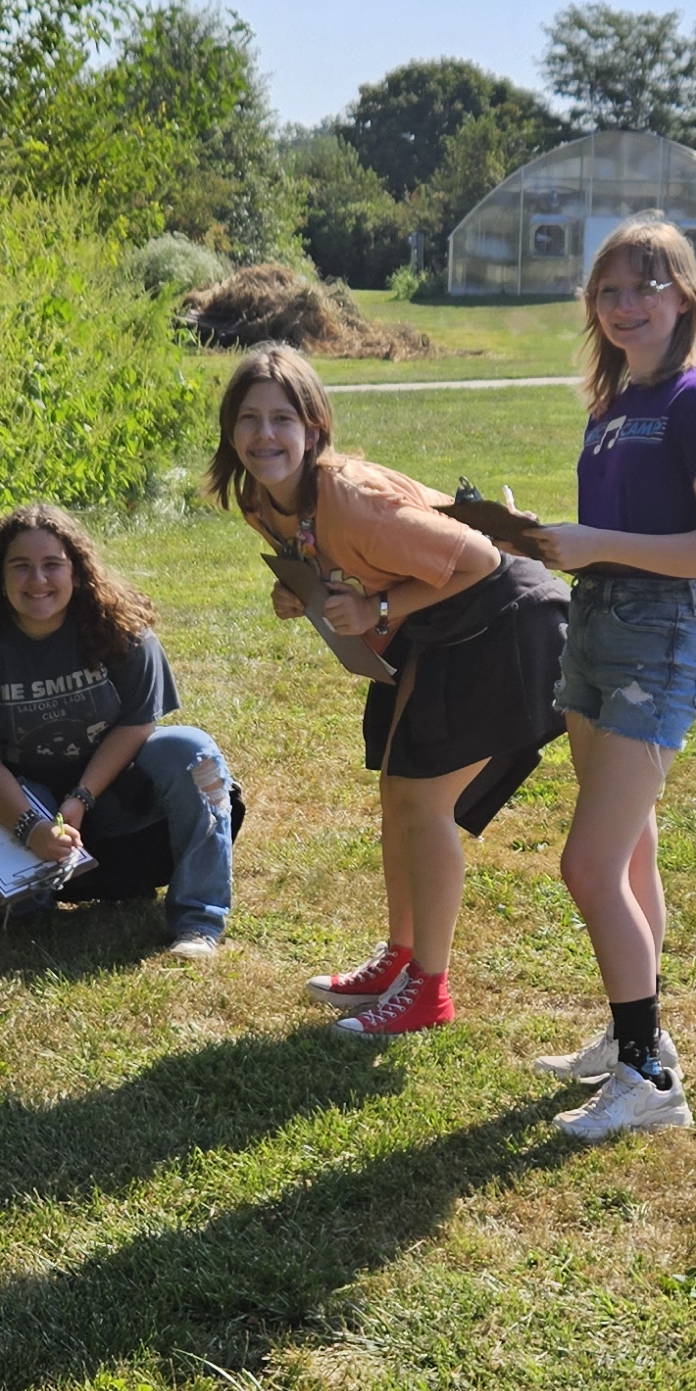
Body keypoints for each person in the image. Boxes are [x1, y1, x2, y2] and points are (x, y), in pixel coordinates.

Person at [211, 343, 569, 1040]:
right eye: (247, 419)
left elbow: (481, 558)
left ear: (314, 426)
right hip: (437, 621)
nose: (263, 436)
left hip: (504, 616)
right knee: (397, 793)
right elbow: (333, 561)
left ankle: (429, 991)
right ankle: (401, 959)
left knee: (426, 800)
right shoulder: (263, 499)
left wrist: (377, 612)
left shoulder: (349, 495)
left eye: (282, 418)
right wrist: (301, 592)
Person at [526, 217, 696, 1142]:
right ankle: (636, 1031)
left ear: (683, 297)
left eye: (645, 288)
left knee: (588, 863)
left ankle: (649, 1077)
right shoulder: (611, 404)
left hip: (657, 641)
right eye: (610, 292)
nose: (626, 306)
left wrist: (596, 545)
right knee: (630, 855)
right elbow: (612, 535)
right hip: (597, 628)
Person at [0, 502, 236, 958]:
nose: (38, 581)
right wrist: (33, 828)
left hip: (113, 789)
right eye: (21, 567)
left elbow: (138, 722)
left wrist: (82, 796)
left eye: (52, 565)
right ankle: (42, 888)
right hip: (26, 797)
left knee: (196, 753)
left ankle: (199, 921)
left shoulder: (123, 632)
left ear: (77, 571)